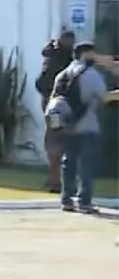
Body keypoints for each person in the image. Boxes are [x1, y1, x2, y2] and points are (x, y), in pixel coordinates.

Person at [45, 40, 108, 214]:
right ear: (86, 54)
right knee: (86, 165)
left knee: (68, 162)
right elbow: (104, 96)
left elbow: (54, 99)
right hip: (87, 126)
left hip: (67, 126)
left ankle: (66, 199)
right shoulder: (91, 74)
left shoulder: (62, 75)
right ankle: (84, 201)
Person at [37, 29, 77, 192]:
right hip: (61, 107)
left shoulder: (51, 56)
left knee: (55, 142)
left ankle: (56, 181)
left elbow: (40, 83)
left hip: (52, 106)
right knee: (61, 143)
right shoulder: (67, 62)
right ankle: (58, 181)